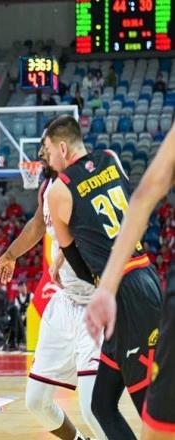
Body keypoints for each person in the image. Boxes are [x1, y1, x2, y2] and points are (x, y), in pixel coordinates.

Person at [44, 115, 162, 439]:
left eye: (49, 152)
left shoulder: (59, 190)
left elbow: (78, 265)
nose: (48, 160)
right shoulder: (110, 158)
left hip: (125, 296)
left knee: (152, 414)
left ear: (63, 148)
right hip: (144, 272)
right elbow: (131, 214)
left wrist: (85, 271)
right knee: (101, 405)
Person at [0, 133, 105, 440]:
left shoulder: (85, 182)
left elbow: (90, 232)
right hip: (64, 302)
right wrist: (11, 254)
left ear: (62, 149)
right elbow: (38, 226)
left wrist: (62, 257)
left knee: (93, 407)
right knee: (36, 401)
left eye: (45, 150)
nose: (41, 156)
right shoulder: (48, 188)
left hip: (95, 305)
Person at [86, 123, 175, 440]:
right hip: (141, 290)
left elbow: (145, 195)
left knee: (157, 426)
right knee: (102, 404)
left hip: (138, 294)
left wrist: (106, 287)